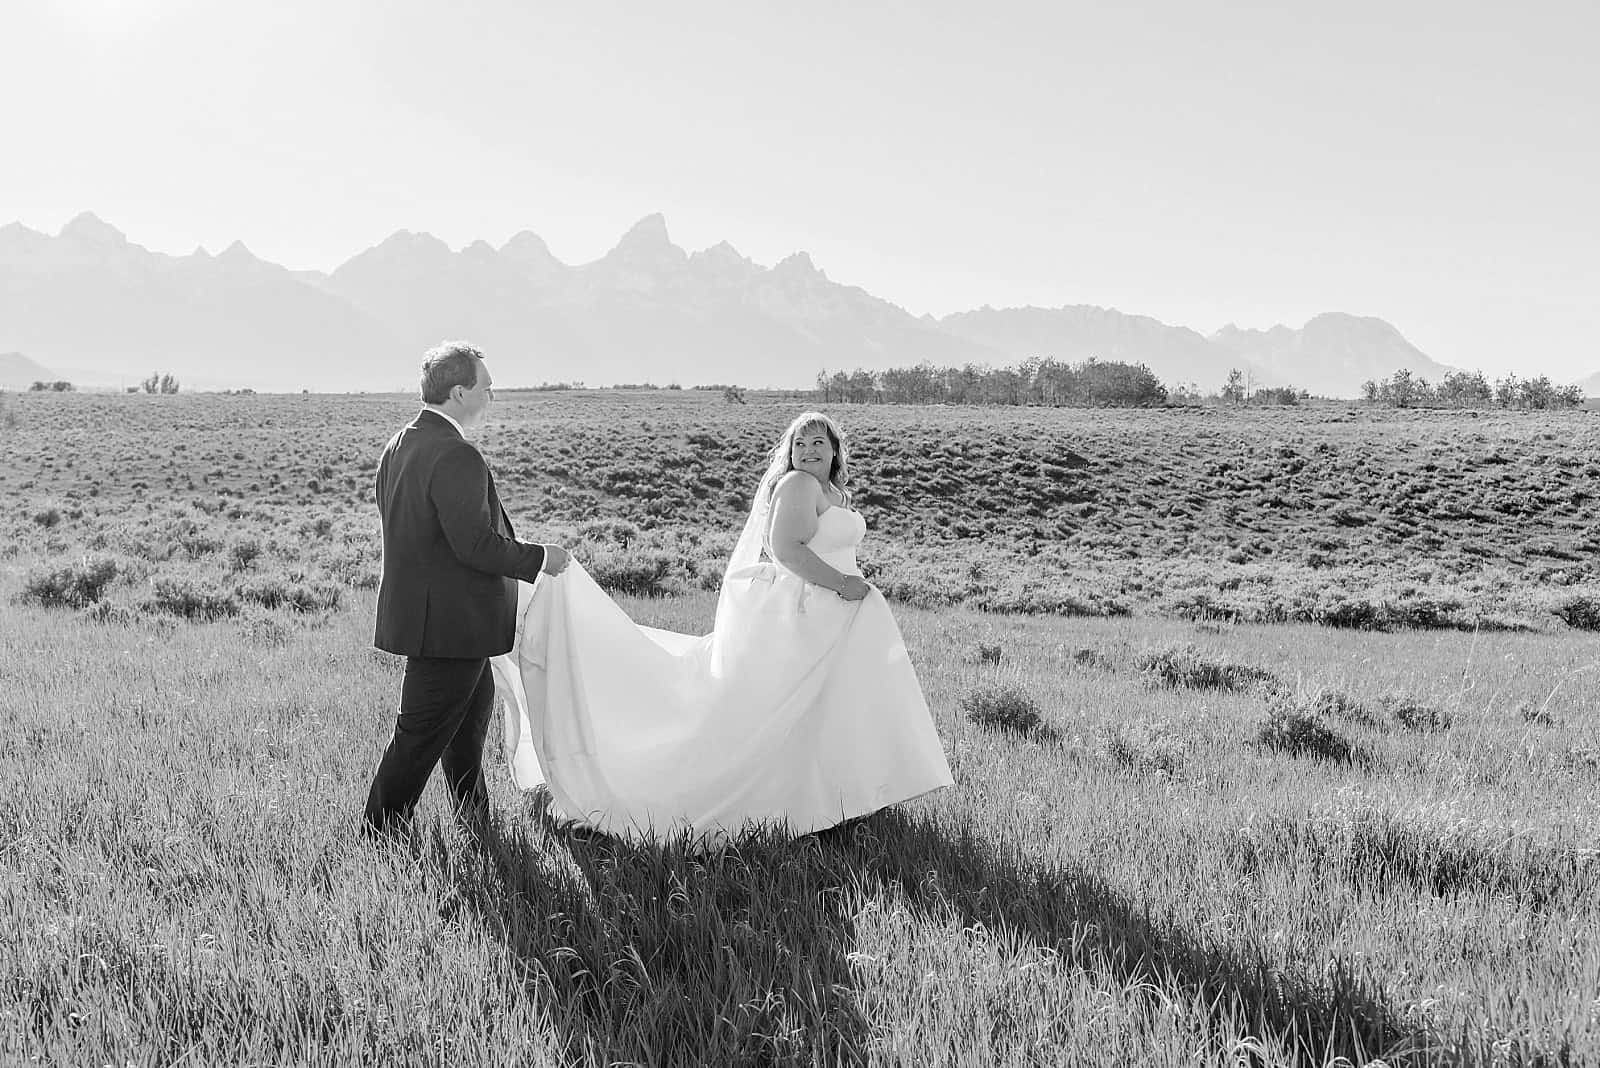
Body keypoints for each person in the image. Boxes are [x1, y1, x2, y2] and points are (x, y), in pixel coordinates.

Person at [491, 411, 953, 840]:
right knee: (789, 710)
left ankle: (841, 793)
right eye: (799, 444)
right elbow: (786, 550)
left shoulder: (833, 493)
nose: (809, 450)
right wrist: (841, 584)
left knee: (834, 704)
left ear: (835, 450)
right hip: (816, 607)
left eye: (818, 441)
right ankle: (803, 800)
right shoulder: (796, 486)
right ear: (789, 454)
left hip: (837, 612)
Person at [364, 341, 569, 835]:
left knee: (465, 736)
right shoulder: (456, 455)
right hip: (449, 628)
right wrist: (542, 558)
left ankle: (475, 821)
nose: (491, 398)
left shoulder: (401, 444)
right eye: (486, 388)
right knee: (416, 737)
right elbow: (475, 545)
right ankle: (378, 832)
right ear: (459, 392)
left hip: (451, 624)